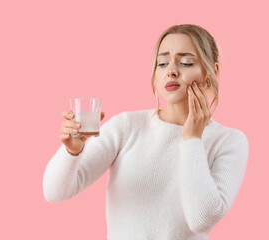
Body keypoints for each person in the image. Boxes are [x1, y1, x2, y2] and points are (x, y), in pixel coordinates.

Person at [43, 24, 249, 240]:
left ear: (211, 72)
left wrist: (192, 140)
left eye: (186, 62)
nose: (171, 70)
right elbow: (55, 192)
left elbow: (201, 219)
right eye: (162, 63)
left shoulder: (229, 141)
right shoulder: (126, 126)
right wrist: (72, 152)